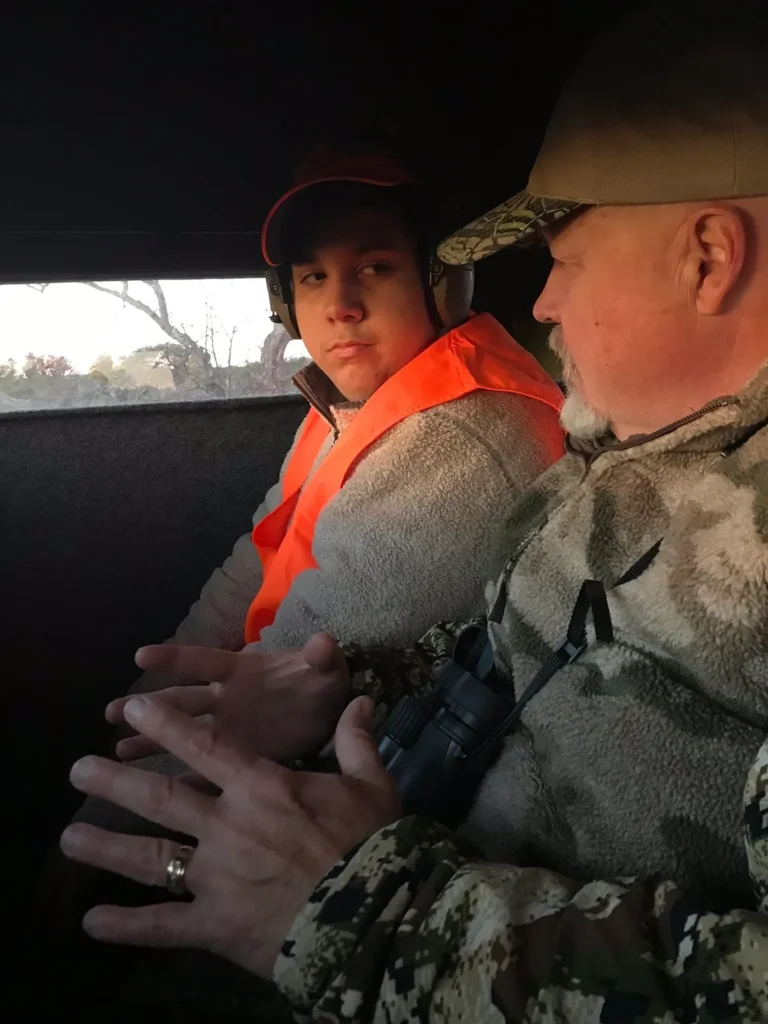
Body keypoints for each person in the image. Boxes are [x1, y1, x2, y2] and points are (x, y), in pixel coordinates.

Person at [78, 2, 768, 1018]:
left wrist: (362, 915)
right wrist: (348, 684)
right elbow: (506, 645)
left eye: (565, 257)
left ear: (708, 256)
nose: (543, 305)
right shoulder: (623, 453)